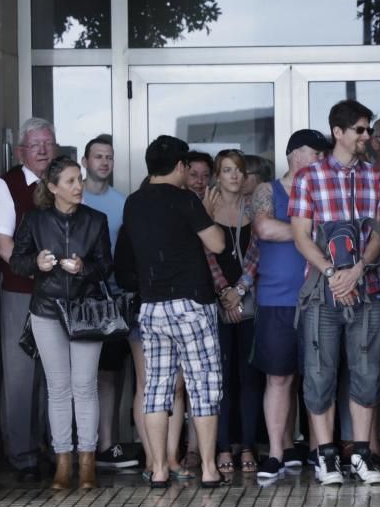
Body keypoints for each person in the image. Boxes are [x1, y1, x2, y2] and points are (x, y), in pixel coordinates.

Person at [289, 99, 380, 486]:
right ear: (339, 132)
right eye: (361, 129)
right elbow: (300, 235)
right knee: (319, 375)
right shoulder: (309, 177)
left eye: (368, 129)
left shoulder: (376, 177)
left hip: (368, 288)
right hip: (321, 292)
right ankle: (326, 457)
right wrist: (334, 274)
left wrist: (359, 268)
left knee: (367, 374)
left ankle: (361, 455)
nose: (367, 136)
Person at [120, 135, 227, 488]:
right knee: (203, 386)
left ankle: (160, 469)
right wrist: (207, 215)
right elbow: (217, 244)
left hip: (152, 306)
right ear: (180, 166)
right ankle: (209, 470)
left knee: (156, 388)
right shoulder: (186, 200)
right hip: (192, 303)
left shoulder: (133, 203)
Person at [10, 155, 112, 490]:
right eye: (70, 181)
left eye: (79, 179)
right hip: (47, 311)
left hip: (85, 311)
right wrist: (36, 263)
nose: (79, 186)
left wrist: (83, 268)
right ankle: (62, 462)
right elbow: (17, 261)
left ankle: (87, 464)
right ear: (53, 188)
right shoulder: (34, 220)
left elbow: (105, 267)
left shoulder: (96, 220)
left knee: (84, 386)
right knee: (58, 388)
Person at [250, 129, 330, 480]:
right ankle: (276, 454)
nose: (322, 161)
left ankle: (318, 450)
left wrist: (298, 231)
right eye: (316, 154)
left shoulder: (323, 190)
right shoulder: (268, 190)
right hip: (277, 300)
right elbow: (264, 228)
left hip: (319, 297)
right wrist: (308, 232)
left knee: (318, 378)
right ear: (295, 155)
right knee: (279, 378)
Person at [0, 117, 59, 481]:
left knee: (53, 375)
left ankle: (49, 446)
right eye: (36, 145)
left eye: (48, 143)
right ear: (21, 152)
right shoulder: (7, 186)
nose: (43, 150)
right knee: (20, 373)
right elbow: (3, 246)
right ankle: (22, 454)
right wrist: (41, 270)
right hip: (20, 292)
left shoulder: (63, 180)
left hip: (58, 295)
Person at [80, 134, 137, 470]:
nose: (104, 162)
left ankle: (107, 445)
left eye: (109, 157)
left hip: (112, 300)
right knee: (77, 377)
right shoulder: (73, 196)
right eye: (98, 156)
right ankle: (74, 445)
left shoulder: (122, 202)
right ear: (86, 161)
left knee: (110, 376)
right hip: (77, 300)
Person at [206, 149, 263, 476]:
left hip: (249, 302)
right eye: (227, 170)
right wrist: (224, 292)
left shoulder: (253, 207)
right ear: (218, 174)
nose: (234, 176)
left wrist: (239, 290)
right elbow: (204, 253)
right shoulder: (207, 207)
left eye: (239, 170)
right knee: (222, 380)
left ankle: (247, 446)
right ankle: (223, 446)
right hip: (216, 303)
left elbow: (256, 254)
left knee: (250, 377)